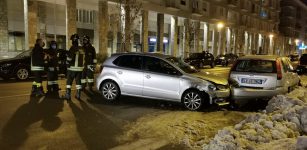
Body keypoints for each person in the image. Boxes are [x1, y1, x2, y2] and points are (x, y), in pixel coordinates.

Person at [63, 34, 85, 100]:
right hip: (80, 69)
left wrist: (67, 62)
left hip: (72, 68)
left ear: (73, 40)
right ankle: (78, 95)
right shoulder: (81, 48)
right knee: (78, 82)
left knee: (69, 82)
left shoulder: (73, 48)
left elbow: (69, 58)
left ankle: (67, 95)